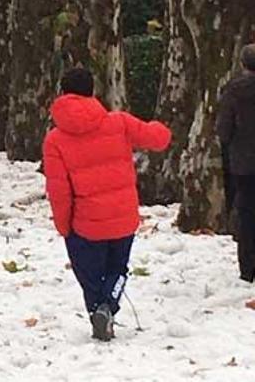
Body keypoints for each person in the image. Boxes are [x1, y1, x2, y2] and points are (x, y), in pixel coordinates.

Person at [43, 67, 171, 341]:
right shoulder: (118, 123)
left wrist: (64, 226)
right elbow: (158, 139)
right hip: (124, 217)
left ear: (62, 93)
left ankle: (98, 311)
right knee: (118, 269)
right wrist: (161, 125)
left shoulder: (55, 140)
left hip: (85, 222)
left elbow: (59, 190)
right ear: (92, 91)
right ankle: (108, 307)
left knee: (89, 275)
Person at [218, 44, 255, 283]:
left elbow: (224, 128)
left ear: (243, 65)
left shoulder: (233, 90)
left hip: (244, 162)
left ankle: (248, 267)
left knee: (247, 213)